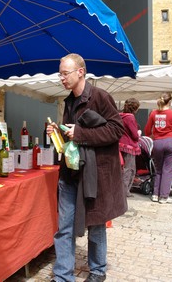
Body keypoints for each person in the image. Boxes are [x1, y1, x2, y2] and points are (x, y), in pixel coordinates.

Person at [47, 53, 126, 282]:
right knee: (64, 226)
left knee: (96, 223)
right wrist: (58, 133)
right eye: (60, 74)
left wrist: (79, 134)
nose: (61, 78)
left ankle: (98, 271)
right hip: (71, 172)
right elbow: (71, 137)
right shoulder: (68, 101)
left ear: (80, 72)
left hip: (96, 174)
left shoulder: (100, 97)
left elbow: (116, 130)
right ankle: (63, 275)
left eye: (65, 73)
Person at [144, 92, 172, 204]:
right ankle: (164, 196)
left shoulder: (153, 113)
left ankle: (155, 194)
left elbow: (147, 131)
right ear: (170, 102)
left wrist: (155, 136)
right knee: (168, 170)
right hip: (171, 142)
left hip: (157, 143)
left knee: (158, 169)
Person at [119, 98, 141, 197]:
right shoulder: (130, 117)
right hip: (129, 147)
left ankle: (119, 190)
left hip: (119, 145)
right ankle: (125, 191)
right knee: (129, 169)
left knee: (120, 169)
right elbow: (135, 135)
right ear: (135, 108)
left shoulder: (119, 116)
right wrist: (139, 133)